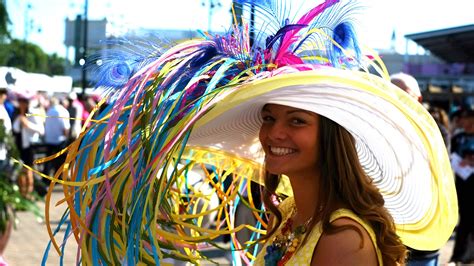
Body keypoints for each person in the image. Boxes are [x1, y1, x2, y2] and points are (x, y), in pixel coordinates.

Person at [42, 1, 458, 265]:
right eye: (269, 117)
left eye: (297, 121)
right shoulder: (294, 215)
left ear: (331, 136)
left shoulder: (343, 238)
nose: (275, 132)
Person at [390, 73, 442, 266]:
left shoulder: (434, 131)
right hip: (389, 232)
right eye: (391, 91)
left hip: (420, 231)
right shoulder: (378, 127)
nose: (396, 97)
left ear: (418, 99)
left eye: (403, 93)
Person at [450, 108, 474, 264]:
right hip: (462, 186)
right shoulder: (458, 138)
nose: (462, 121)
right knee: (464, 220)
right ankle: (461, 256)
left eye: (465, 118)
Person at [12, 93, 44, 197]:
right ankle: (22, 194)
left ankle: (29, 194)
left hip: (29, 146)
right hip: (19, 145)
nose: (21, 104)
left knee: (28, 170)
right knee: (20, 170)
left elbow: (41, 130)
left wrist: (27, 124)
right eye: (20, 102)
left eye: (23, 102)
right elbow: (15, 129)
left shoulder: (32, 113)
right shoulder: (17, 114)